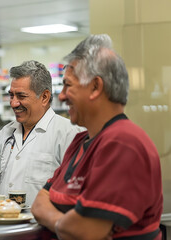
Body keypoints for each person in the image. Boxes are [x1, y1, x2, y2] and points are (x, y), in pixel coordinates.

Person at [31, 34, 163, 239]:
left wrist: (60, 224)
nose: (62, 95)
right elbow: (39, 202)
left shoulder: (123, 143)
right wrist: (64, 223)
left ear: (95, 87)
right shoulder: (80, 142)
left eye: (68, 85)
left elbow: (85, 231)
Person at [0, 60, 83, 206]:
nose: (13, 103)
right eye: (11, 95)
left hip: (43, 226)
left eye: (21, 96)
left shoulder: (69, 133)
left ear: (44, 97)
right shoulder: (5, 134)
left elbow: (73, 191)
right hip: (3, 223)